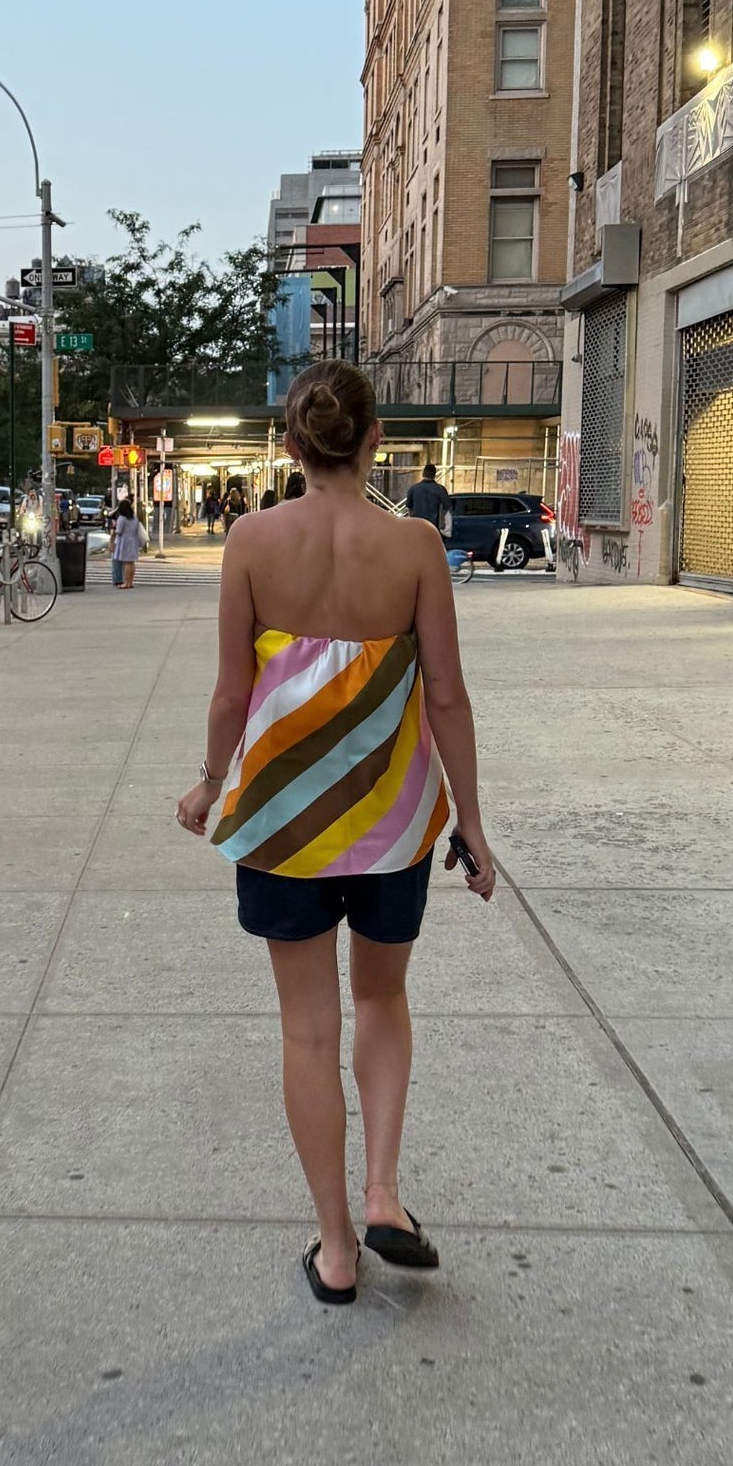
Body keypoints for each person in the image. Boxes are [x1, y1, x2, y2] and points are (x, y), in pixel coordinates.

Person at [173, 360, 495, 1308]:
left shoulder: (249, 542)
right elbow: (446, 695)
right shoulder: (417, 549)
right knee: (383, 1004)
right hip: (392, 827)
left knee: (307, 1031)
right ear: (374, 440)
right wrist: (470, 823)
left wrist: (207, 784)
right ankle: (385, 1190)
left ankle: (337, 1249)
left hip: (282, 829)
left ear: (289, 444)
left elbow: (233, 691)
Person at [403, 462, 453, 541]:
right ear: (434, 475)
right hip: (433, 528)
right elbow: (447, 508)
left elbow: (409, 508)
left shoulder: (413, 489)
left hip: (417, 527)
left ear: (423, 474)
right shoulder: (440, 489)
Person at [111, 499, 146, 587]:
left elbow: (119, 531)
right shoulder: (134, 517)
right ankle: (130, 582)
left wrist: (115, 528)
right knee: (131, 562)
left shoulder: (122, 518)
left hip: (124, 542)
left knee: (126, 562)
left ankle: (126, 582)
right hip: (134, 540)